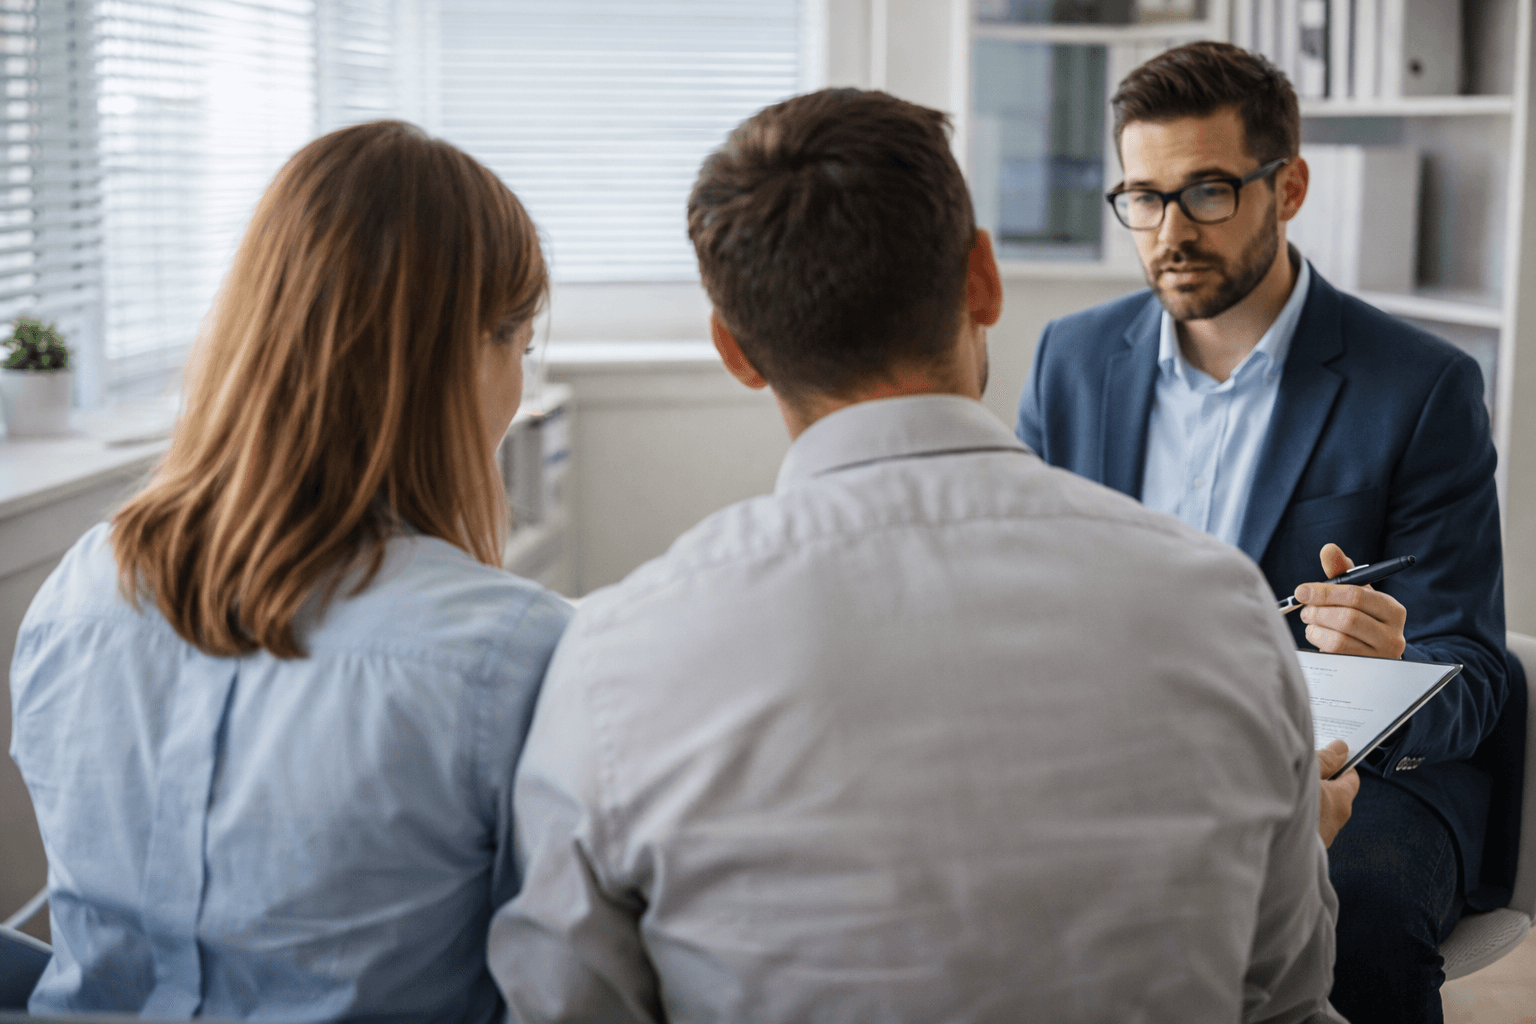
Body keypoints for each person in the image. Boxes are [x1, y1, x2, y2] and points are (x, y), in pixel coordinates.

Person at [489, 87, 1343, 1024]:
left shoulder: (616, 656)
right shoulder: (1224, 607)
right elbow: (1288, 996)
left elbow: (567, 1002)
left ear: (735, 350)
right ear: (983, 279)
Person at [8, 121, 571, 1021]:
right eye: (520, 345)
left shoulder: (79, 588)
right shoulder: (513, 653)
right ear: (465, 355)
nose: (518, 383)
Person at [1015, 42, 1521, 1024]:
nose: (1168, 231)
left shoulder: (1421, 387)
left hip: (1354, 770)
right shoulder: (1070, 362)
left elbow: (1479, 671)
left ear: (1288, 186)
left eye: (1206, 193)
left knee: (1353, 904)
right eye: (1143, 197)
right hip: (1127, 742)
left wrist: (1397, 663)